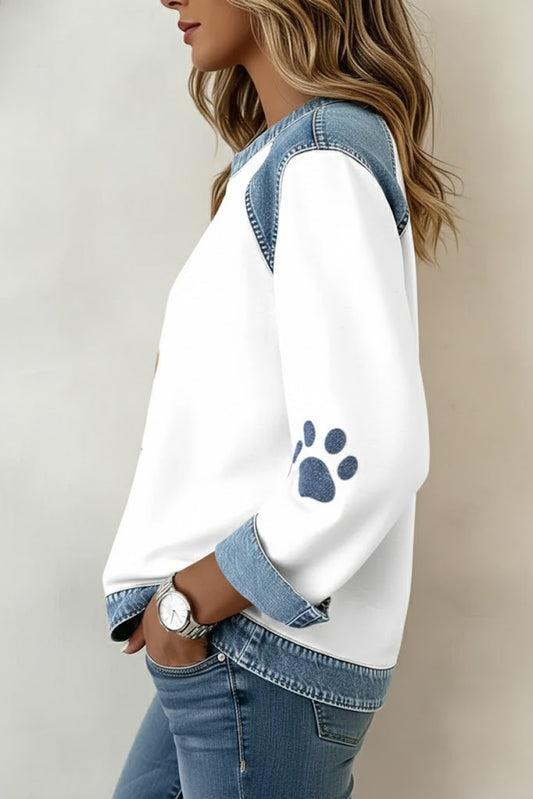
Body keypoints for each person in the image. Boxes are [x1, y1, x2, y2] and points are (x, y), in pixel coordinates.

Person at [102, 1, 461, 797]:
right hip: (240, 642)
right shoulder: (284, 160)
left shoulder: (319, 159)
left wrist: (188, 603)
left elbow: (372, 451)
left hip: (255, 646)